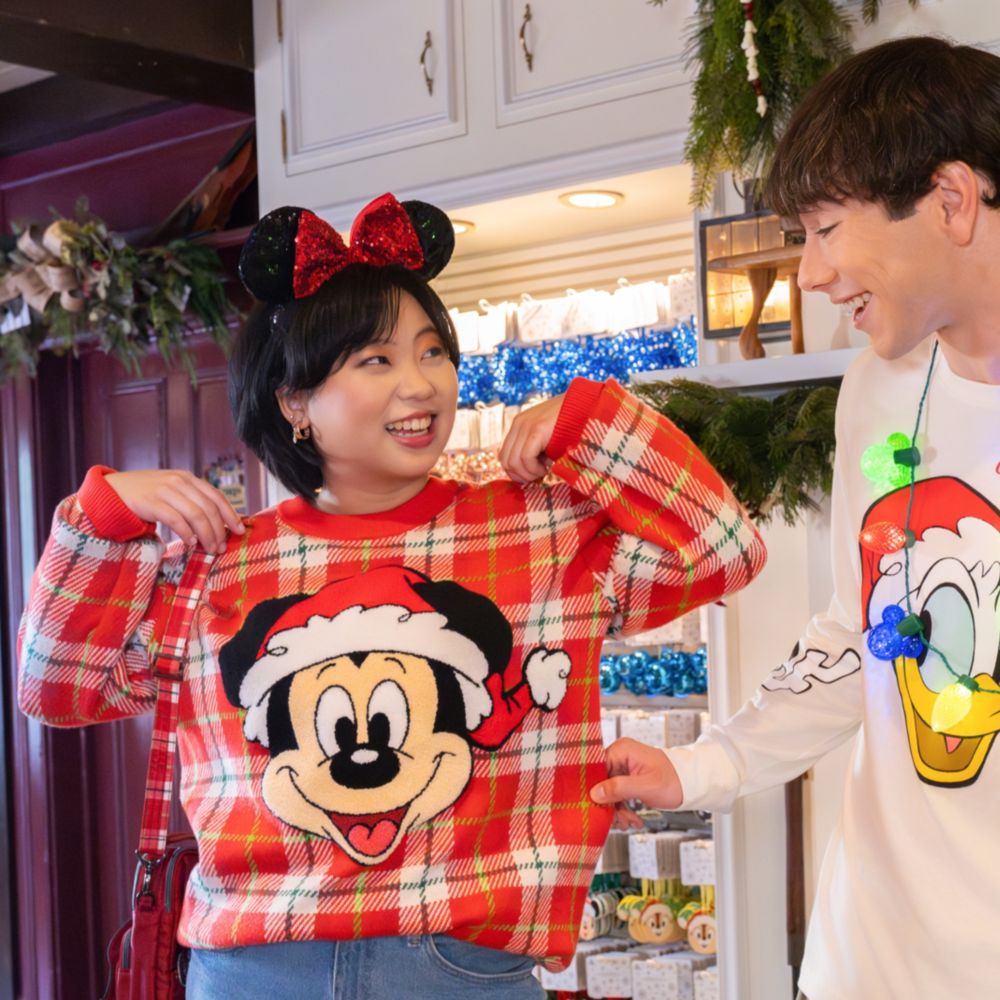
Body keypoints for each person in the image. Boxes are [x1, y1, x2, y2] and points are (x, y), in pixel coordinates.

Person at [17, 192, 766, 999]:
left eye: (433, 352)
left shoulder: (538, 534)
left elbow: (723, 551)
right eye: (376, 361)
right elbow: (59, 690)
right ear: (295, 402)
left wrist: (594, 422)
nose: (420, 384)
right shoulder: (218, 565)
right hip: (256, 968)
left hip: (460, 967)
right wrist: (100, 518)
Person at [591, 35, 1000, 1000]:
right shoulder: (881, 387)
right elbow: (862, 628)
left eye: (824, 228)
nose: (808, 274)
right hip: (868, 963)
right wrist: (703, 766)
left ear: (950, 200)